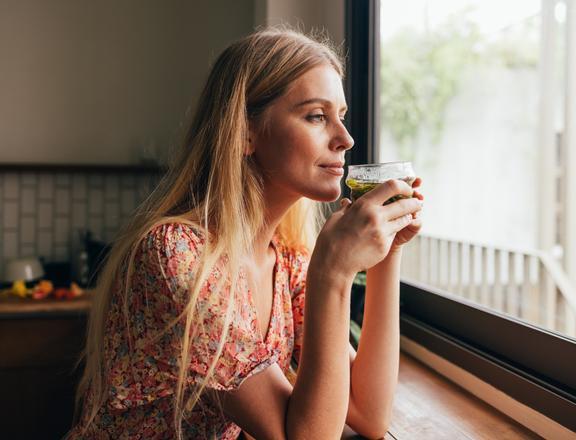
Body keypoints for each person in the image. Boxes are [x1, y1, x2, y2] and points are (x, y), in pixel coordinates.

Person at [67, 27, 423, 440]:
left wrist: (388, 253)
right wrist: (334, 273)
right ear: (245, 133)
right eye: (316, 116)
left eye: (340, 117)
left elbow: (369, 414)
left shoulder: (286, 260)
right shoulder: (176, 257)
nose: (345, 139)